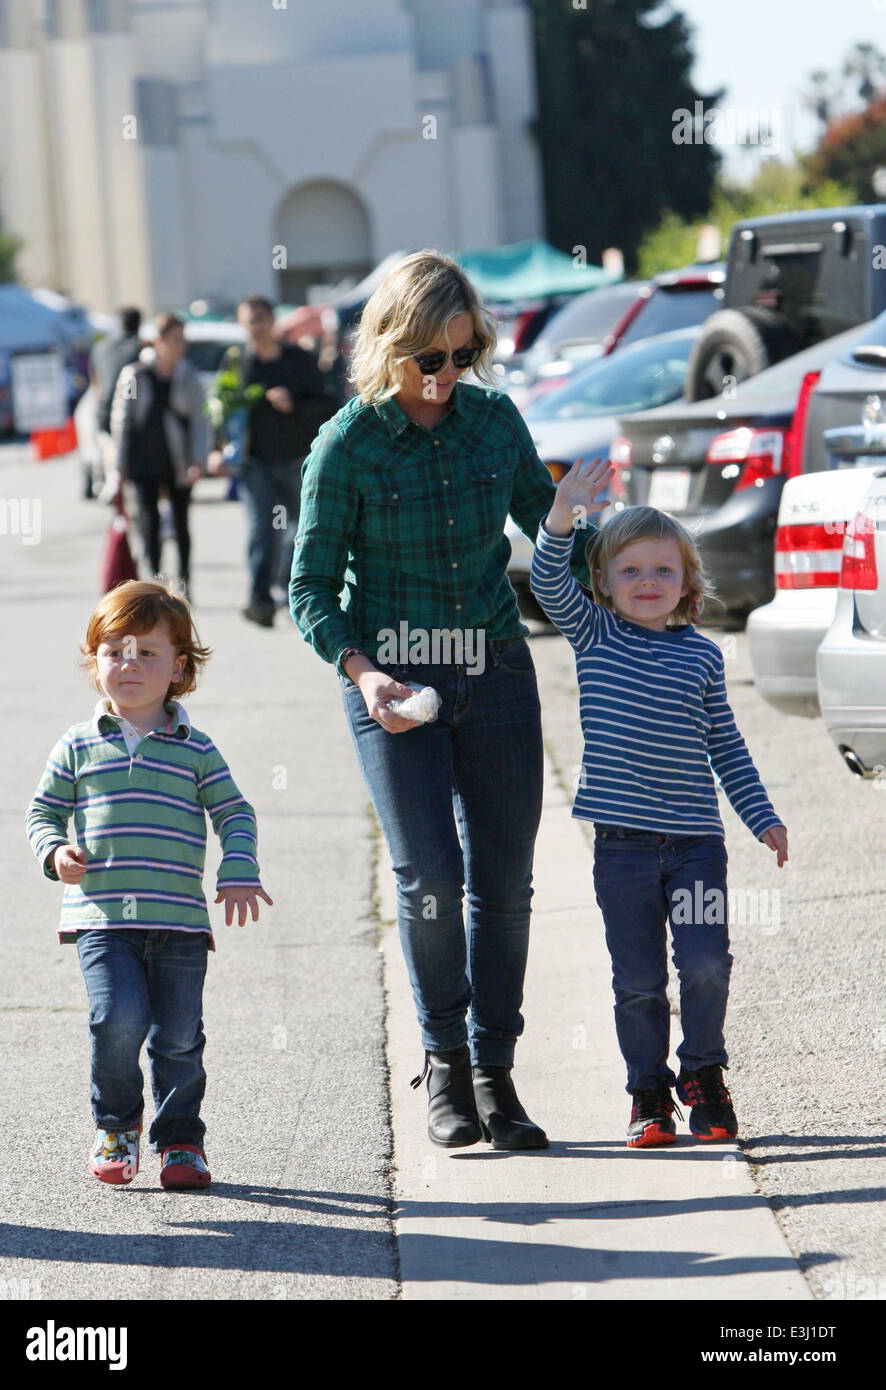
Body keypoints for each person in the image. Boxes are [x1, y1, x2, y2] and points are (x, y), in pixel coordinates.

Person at [289, 250, 602, 1151]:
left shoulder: (494, 420)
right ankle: (444, 1069)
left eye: (462, 357)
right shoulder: (346, 443)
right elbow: (309, 586)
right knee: (431, 878)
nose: (445, 377)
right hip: (394, 681)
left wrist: (606, 548)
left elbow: (551, 544)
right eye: (430, 359)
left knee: (504, 884)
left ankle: (497, 1071)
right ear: (389, 345)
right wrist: (362, 672)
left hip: (496, 671)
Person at [530, 471, 789, 1149]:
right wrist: (562, 514)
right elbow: (549, 581)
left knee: (706, 963)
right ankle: (647, 1091)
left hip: (696, 842)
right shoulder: (595, 635)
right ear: (606, 583)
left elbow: (727, 747)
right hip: (623, 849)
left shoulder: (702, 657)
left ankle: (703, 1073)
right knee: (638, 980)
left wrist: (761, 816)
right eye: (631, 569)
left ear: (687, 584)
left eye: (663, 570)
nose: (648, 580)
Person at [24, 581, 274, 1189]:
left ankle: (181, 1141)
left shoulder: (196, 749)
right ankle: (116, 1125)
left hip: (180, 922)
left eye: (147, 653)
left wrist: (238, 867)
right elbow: (42, 813)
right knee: (117, 1020)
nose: (128, 664)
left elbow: (235, 813)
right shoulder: (78, 745)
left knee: (179, 1037)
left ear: (179, 668)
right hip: (101, 919)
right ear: (95, 663)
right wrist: (54, 852)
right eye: (114, 651)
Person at [227, 295, 336, 627]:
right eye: (249, 320)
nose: (256, 326)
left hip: (296, 459)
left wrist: (294, 407)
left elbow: (327, 405)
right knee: (262, 530)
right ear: (241, 325)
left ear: (273, 322)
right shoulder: (237, 364)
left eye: (261, 319)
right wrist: (222, 446)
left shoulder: (297, 360)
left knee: (298, 530)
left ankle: (290, 594)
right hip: (255, 462)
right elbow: (223, 408)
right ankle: (259, 600)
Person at [109, 314, 209, 604]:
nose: (180, 346)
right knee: (149, 524)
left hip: (178, 459)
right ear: (158, 340)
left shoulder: (188, 376)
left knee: (181, 524)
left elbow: (201, 421)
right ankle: (153, 586)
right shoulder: (135, 374)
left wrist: (198, 460)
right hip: (144, 460)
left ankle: (185, 585)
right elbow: (121, 420)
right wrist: (120, 466)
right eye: (174, 339)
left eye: (182, 339)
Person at [85, 306, 142, 498]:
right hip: (129, 414)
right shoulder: (139, 348)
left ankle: (111, 487)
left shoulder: (101, 348)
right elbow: (133, 384)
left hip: (104, 413)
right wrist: (131, 406)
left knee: (112, 457)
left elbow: (96, 384)